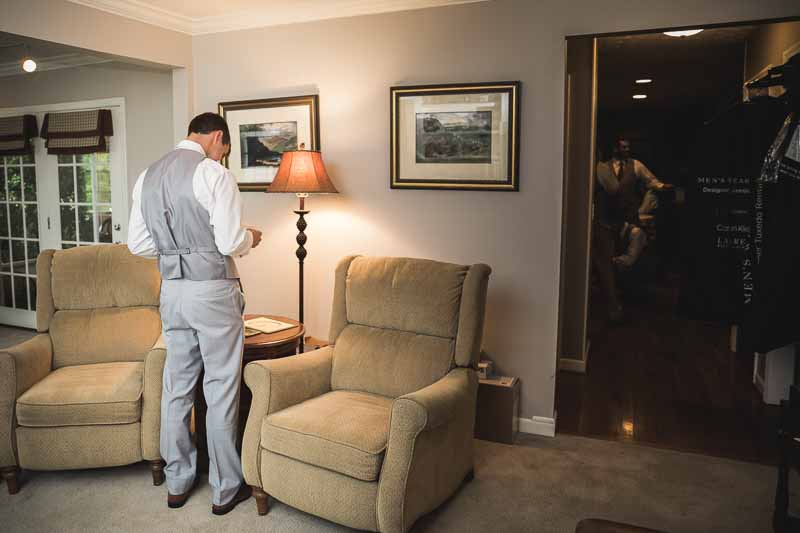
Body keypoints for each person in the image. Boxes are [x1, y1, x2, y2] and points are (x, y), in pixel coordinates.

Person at [127, 112, 263, 515]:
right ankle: (226, 488)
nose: (222, 156)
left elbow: (137, 244)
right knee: (220, 388)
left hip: (172, 291)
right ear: (217, 137)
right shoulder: (214, 174)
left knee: (177, 387)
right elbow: (229, 241)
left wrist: (175, 250)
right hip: (212, 291)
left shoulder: (148, 176)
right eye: (224, 149)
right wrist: (251, 238)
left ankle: (178, 481)